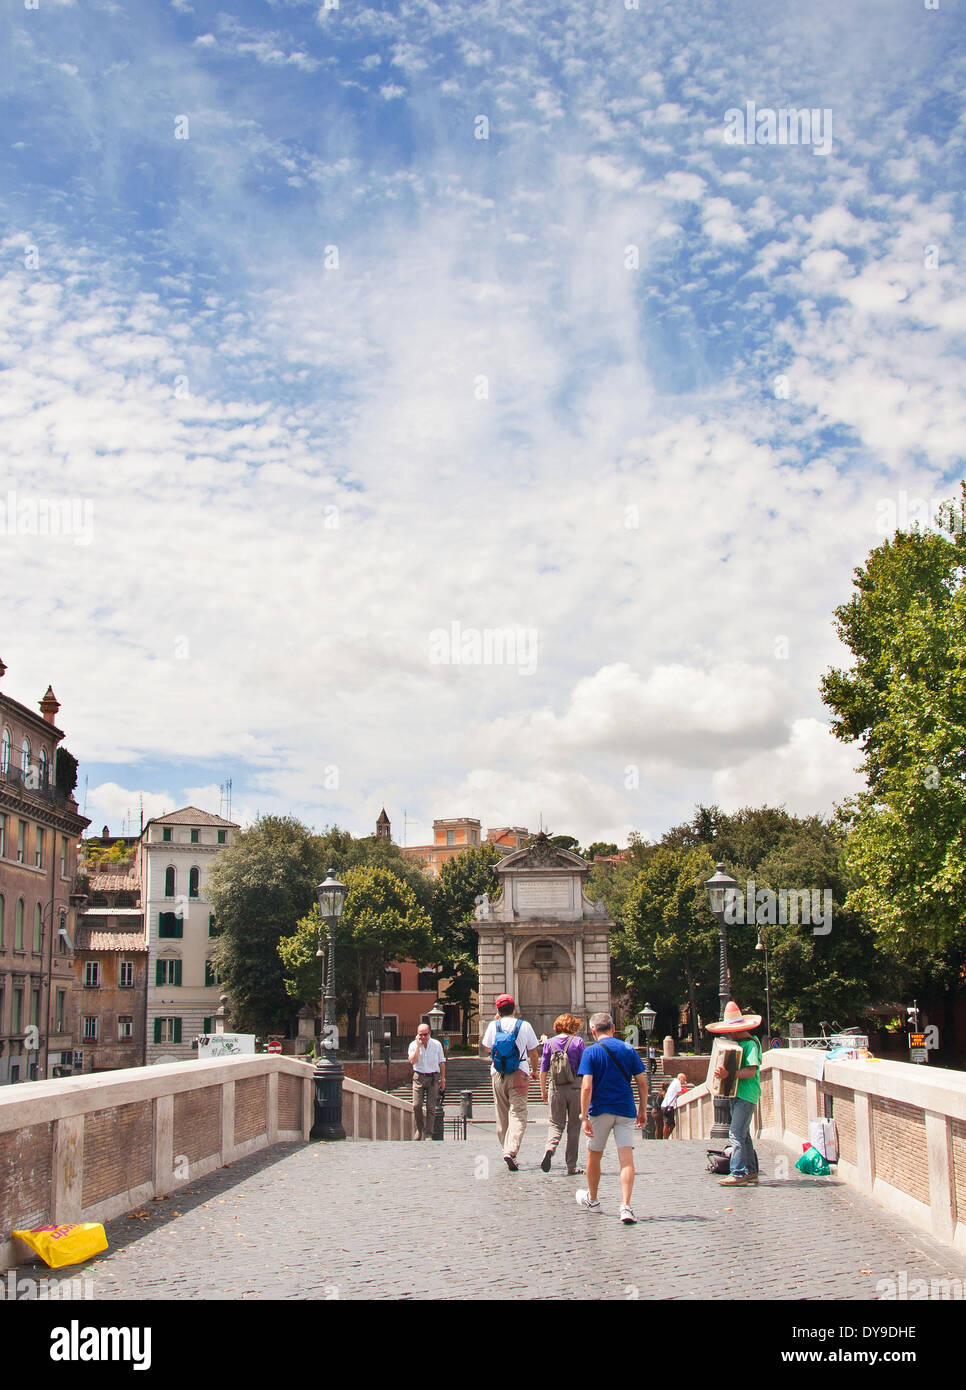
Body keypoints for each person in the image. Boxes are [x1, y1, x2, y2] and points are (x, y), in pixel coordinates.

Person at [575, 1012, 648, 1223]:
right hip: (625, 1109)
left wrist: (584, 1116)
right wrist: (642, 1109)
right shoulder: (628, 1049)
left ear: (593, 1030)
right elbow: (642, 1082)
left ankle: (594, 1201)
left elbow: (587, 1087)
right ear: (613, 1029)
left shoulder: (591, 1052)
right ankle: (626, 1206)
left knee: (594, 1155)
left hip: (600, 1111)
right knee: (626, 1160)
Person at [480, 995, 540, 1171]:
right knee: (518, 1113)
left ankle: (506, 1149)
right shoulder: (524, 1025)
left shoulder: (493, 1025)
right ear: (514, 1008)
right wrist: (534, 1071)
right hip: (519, 1073)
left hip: (497, 1074)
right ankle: (511, 1150)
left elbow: (488, 1048)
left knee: (502, 1113)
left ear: (498, 1010)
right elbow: (533, 1052)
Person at [707, 1001, 763, 1187]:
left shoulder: (751, 1045)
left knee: (736, 1134)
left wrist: (728, 1075)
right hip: (738, 1094)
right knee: (744, 1134)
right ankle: (751, 1171)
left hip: (746, 1095)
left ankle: (738, 1173)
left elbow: (751, 1072)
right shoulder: (742, 1043)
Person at [539, 1012, 586, 1175]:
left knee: (555, 1124)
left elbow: (543, 1069)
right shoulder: (578, 1042)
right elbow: (585, 1068)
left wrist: (543, 1090)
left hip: (556, 1088)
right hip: (575, 1088)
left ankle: (550, 1149)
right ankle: (571, 1166)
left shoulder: (549, 1044)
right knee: (574, 1127)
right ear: (573, 1026)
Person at [408, 1021, 445, 1140]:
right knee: (416, 1105)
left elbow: (442, 1062)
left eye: (425, 1034)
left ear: (429, 1033)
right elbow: (412, 1061)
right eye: (420, 1035)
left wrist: (442, 1079)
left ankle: (428, 1133)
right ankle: (419, 1128)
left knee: (431, 1107)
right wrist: (418, 1047)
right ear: (417, 1035)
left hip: (433, 1077)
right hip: (419, 1077)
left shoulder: (436, 1044)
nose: (423, 1037)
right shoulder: (413, 1045)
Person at [660, 1072, 688, 1138]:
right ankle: (665, 1138)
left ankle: (666, 1137)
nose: (684, 1082)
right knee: (668, 1124)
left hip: (666, 1105)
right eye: (684, 1080)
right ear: (680, 1078)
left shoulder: (674, 1082)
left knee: (671, 1124)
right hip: (668, 1106)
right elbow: (679, 1093)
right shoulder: (677, 1082)